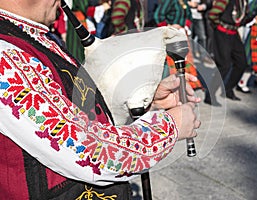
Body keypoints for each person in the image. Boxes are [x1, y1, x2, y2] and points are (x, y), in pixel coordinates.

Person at [0, 0, 201, 199]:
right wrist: (169, 127)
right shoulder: (4, 57)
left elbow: (73, 112)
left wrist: (146, 100)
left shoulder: (28, 36)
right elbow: (89, 152)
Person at [204, 0, 249, 106]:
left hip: (234, 33)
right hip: (223, 32)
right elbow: (213, 14)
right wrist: (218, 25)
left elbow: (243, 16)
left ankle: (228, 89)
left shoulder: (244, 1)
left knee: (241, 63)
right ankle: (209, 95)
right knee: (224, 65)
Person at [153, 0, 203, 90]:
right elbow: (158, 15)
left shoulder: (183, 1)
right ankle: (167, 86)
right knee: (170, 62)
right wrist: (169, 26)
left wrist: (185, 26)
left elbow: (188, 16)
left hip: (181, 34)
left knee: (184, 60)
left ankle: (184, 86)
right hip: (171, 35)